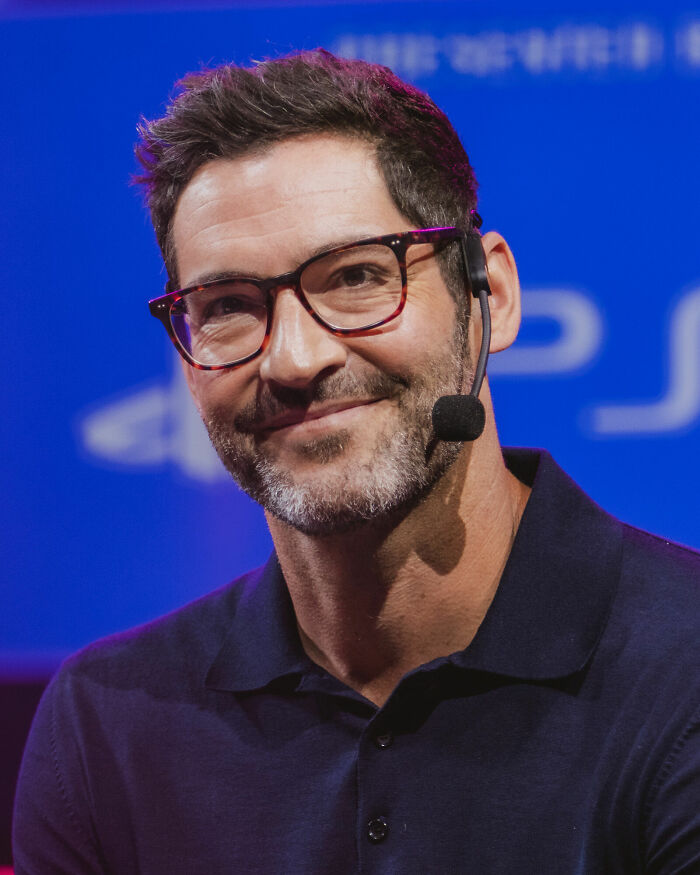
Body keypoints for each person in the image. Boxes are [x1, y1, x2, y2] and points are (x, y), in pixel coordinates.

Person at [13, 49, 700, 874]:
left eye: (357, 277)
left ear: (493, 297)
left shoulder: (683, 668)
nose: (294, 358)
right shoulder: (103, 727)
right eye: (228, 306)